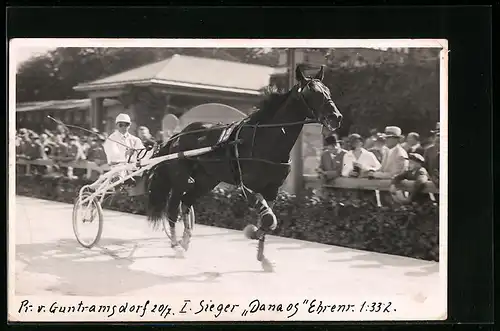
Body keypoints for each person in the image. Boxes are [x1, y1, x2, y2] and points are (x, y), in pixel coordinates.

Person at [103, 113, 145, 188]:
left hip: (134, 168)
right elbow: (113, 157)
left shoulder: (135, 140)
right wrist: (126, 153)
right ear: (116, 125)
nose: (123, 127)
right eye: (121, 125)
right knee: (120, 173)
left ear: (129, 125)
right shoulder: (111, 139)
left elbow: (143, 153)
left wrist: (152, 151)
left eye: (126, 125)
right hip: (118, 169)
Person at [424, 122, 440, 188]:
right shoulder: (429, 150)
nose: (438, 136)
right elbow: (425, 165)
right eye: (437, 134)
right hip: (433, 181)